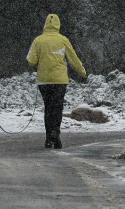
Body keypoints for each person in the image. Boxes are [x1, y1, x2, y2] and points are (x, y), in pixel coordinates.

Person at [26, 13, 86, 149]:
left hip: (44, 80)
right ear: (58, 24)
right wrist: (82, 72)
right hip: (60, 80)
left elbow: (31, 60)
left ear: (46, 24)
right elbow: (73, 59)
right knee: (57, 107)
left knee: (48, 108)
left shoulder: (38, 40)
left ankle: (48, 138)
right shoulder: (63, 40)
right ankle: (56, 134)